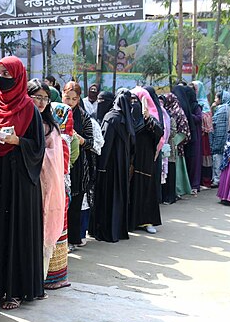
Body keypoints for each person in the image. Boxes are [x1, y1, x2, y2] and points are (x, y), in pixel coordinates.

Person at [0, 56, 45, 310]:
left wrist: (17, 141)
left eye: (7, 74)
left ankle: (16, 289)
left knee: (15, 229)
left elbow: (37, 148)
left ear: (18, 77)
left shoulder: (29, 109)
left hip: (19, 178)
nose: (1, 79)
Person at [27, 80, 66, 284]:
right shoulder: (23, 121)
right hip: (26, 186)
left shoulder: (50, 127)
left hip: (44, 187)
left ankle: (38, 282)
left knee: (42, 234)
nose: (41, 102)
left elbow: (53, 159)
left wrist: (30, 151)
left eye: (45, 98)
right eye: (37, 97)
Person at [90, 90, 136, 242]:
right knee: (118, 198)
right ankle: (118, 230)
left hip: (109, 168)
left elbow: (105, 145)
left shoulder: (111, 118)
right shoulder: (125, 119)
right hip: (121, 167)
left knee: (108, 198)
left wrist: (100, 167)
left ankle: (105, 231)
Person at [62, 82, 96, 248]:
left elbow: (92, 142)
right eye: (67, 97)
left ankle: (73, 240)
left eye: (74, 99)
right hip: (59, 163)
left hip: (78, 166)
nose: (70, 102)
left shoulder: (83, 116)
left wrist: (79, 139)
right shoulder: (56, 112)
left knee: (74, 203)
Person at [46, 100, 74, 290]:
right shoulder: (63, 138)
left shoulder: (56, 138)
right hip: (60, 191)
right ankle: (56, 277)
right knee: (57, 231)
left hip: (52, 190)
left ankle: (50, 276)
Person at [128, 89, 163, 232]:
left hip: (146, 162)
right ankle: (131, 221)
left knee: (147, 191)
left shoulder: (151, 118)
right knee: (131, 191)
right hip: (131, 162)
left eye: (137, 101)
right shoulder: (129, 117)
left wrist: (148, 117)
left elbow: (159, 132)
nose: (134, 104)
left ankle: (147, 221)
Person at [161, 92, 191, 204]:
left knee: (173, 170)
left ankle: (173, 195)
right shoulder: (165, 112)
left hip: (173, 147)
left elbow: (184, 131)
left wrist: (173, 142)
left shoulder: (177, 112)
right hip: (167, 147)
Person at [173, 84, 203, 193]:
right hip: (185, 136)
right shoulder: (179, 106)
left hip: (195, 135)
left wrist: (189, 116)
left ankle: (194, 185)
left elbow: (200, 118)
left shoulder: (195, 106)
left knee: (193, 160)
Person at [192, 81, 215, 187]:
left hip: (204, 134)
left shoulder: (203, 103)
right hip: (197, 133)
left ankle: (205, 180)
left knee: (204, 156)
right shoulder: (192, 101)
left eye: (195, 88)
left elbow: (207, 119)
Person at [211, 90, 230, 186]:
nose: (215, 100)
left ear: (221, 99)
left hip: (219, 138)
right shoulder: (229, 108)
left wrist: (212, 108)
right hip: (227, 138)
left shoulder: (221, 109)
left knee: (217, 158)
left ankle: (217, 179)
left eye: (216, 97)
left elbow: (214, 123)